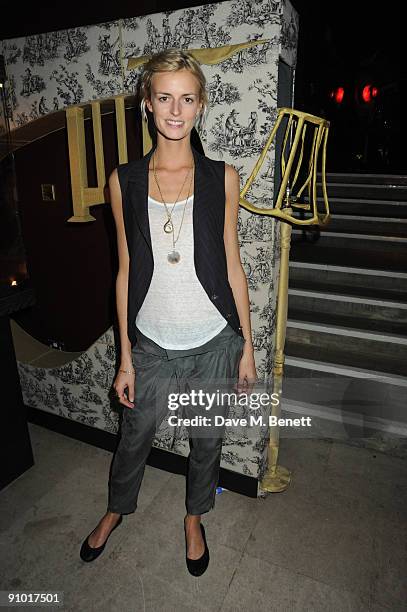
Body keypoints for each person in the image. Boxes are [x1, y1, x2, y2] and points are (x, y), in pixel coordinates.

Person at [80, 49, 256, 576]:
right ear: (148, 104)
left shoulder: (222, 176)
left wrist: (246, 348)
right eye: (164, 98)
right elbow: (126, 270)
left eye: (187, 98)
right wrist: (126, 359)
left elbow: (233, 265)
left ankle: (194, 517)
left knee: (207, 439)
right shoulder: (124, 181)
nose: (175, 110)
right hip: (152, 341)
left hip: (213, 341)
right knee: (133, 436)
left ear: (200, 106)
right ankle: (117, 508)